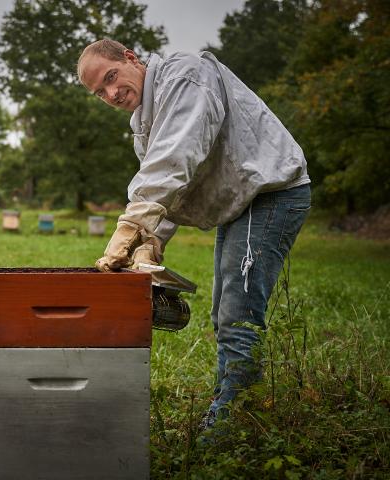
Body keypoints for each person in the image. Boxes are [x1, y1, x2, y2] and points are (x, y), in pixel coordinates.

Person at [77, 39, 311, 427]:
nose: (110, 94)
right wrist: (151, 242)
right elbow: (173, 185)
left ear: (131, 59)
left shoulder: (185, 75)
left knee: (238, 312)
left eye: (111, 78)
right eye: (99, 92)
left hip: (271, 191)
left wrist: (131, 227)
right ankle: (234, 399)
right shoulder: (144, 120)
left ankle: (231, 421)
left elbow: (176, 157)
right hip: (240, 200)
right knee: (224, 312)